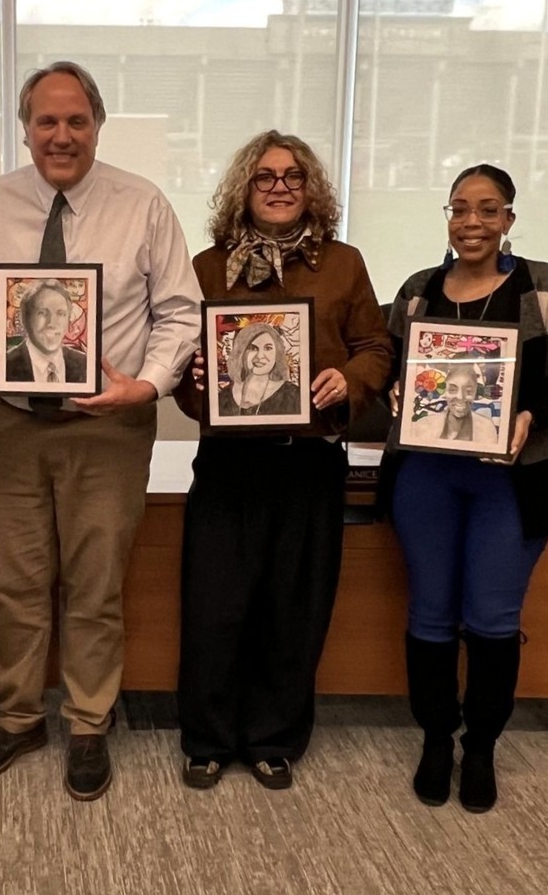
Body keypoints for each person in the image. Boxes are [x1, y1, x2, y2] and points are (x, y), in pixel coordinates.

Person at [0, 60, 201, 801]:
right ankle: (19, 716)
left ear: (98, 125)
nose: (62, 135)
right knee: (14, 582)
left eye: (76, 121)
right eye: (46, 121)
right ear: (26, 128)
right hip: (13, 427)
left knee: (94, 585)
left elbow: (180, 311)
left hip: (108, 432)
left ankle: (89, 722)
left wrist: (144, 384)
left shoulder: (142, 204)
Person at [173, 129, 391, 791]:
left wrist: (347, 381)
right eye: (265, 177)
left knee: (291, 608)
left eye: (292, 177)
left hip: (308, 462)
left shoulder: (344, 264)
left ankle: (273, 738)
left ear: (311, 189)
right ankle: (208, 739)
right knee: (216, 605)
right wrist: (196, 384)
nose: (278, 187)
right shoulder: (208, 267)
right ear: (244, 187)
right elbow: (182, 366)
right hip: (228, 463)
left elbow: (376, 347)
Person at [386, 163, 548, 813]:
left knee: (493, 619)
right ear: (447, 216)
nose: (472, 222)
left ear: (509, 220)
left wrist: (536, 414)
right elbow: (390, 374)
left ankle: (483, 747)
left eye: (488, 210)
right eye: (460, 209)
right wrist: (392, 393)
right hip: (428, 479)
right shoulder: (417, 293)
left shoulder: (547, 290)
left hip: (514, 483)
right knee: (431, 614)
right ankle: (437, 738)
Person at [5, 278, 88, 384]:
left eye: (60, 313)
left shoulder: (84, 364)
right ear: (25, 319)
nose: (52, 323)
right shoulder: (6, 365)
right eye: (42, 313)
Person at [219, 321, 300, 416]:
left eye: (268, 348)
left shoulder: (293, 395)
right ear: (241, 352)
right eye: (253, 348)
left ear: (277, 353)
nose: (260, 356)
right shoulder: (223, 396)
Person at [407, 361, 498, 445]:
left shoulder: (486, 428)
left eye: (469, 391)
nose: (460, 397)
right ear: (445, 392)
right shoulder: (424, 425)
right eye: (452, 390)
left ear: (475, 393)